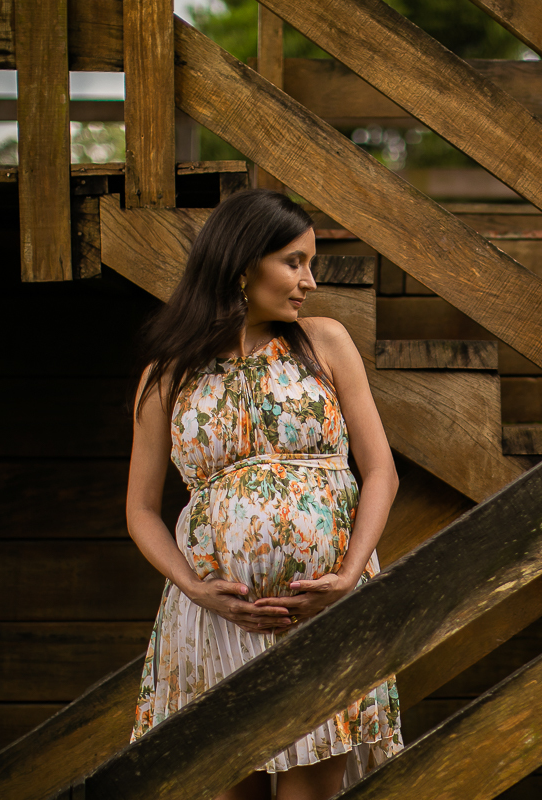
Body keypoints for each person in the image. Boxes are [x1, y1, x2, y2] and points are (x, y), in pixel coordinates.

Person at [125, 188, 402, 800]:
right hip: (216, 620)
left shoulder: (323, 341)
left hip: (321, 613)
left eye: (311, 264)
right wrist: (198, 589)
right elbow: (141, 511)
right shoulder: (168, 374)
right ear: (243, 263)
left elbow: (380, 470)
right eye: (294, 261)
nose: (308, 281)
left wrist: (349, 577)